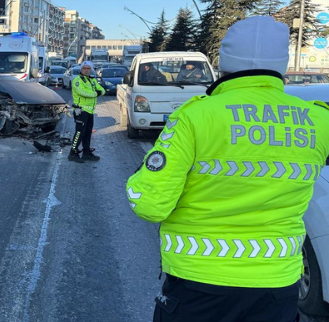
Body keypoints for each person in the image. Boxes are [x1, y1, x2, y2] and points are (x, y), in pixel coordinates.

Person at [126, 16, 329, 322]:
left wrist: (143, 176)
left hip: (199, 285)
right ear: (283, 65)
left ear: (224, 64)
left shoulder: (195, 116)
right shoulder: (318, 121)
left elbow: (149, 204)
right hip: (277, 287)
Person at [69, 61, 105, 163]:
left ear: (91, 70)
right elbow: (82, 92)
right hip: (81, 110)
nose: (86, 70)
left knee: (88, 133)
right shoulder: (77, 80)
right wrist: (96, 93)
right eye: (84, 68)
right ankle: (72, 153)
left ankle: (86, 153)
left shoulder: (92, 80)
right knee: (79, 133)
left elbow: (102, 90)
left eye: (88, 68)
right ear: (81, 69)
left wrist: (98, 92)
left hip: (90, 111)